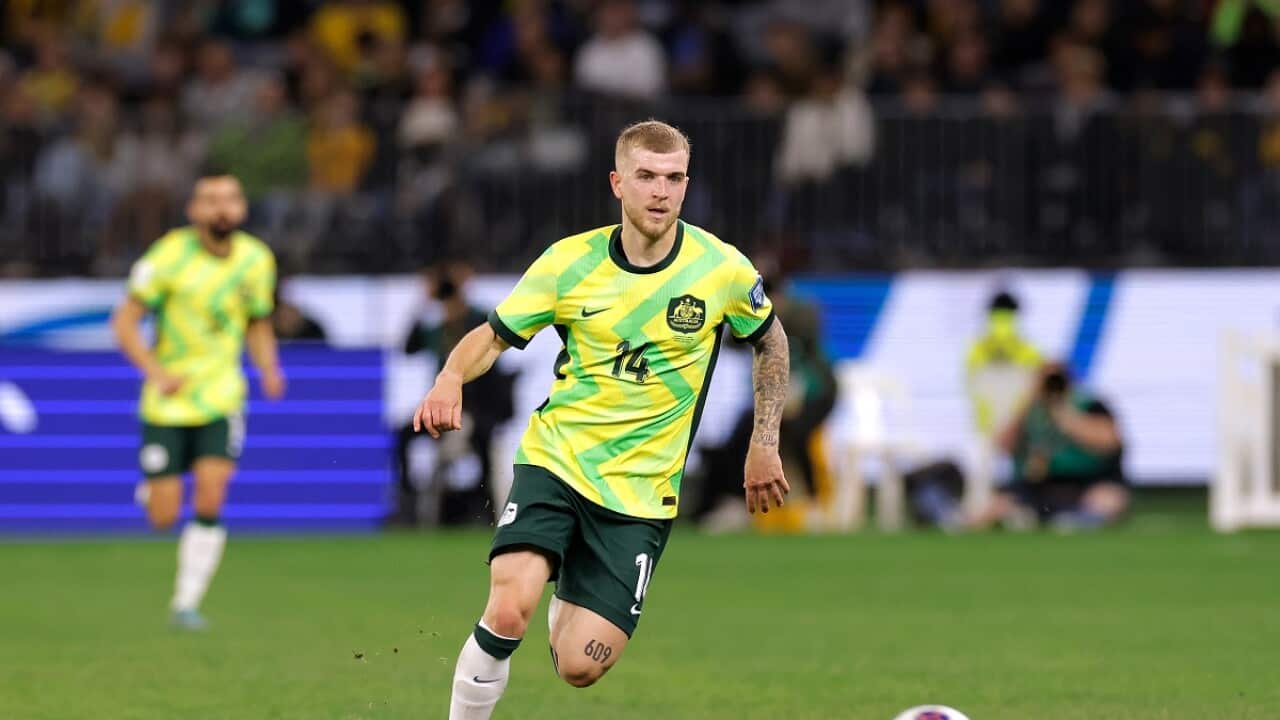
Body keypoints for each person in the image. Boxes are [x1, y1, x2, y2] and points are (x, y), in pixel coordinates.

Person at [414, 120, 790, 718]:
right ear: (618, 183)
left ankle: (572, 587)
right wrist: (448, 378)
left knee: (579, 666)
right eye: (645, 177)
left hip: (642, 496)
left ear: (686, 186)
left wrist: (763, 441)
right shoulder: (569, 263)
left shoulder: (721, 269)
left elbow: (772, 343)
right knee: (509, 608)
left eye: (673, 179)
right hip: (557, 461)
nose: (660, 192)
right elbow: (492, 337)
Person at [110, 170, 285, 630]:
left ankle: (186, 602)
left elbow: (258, 321)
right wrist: (155, 371)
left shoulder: (256, 259)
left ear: (242, 208)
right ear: (194, 210)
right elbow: (124, 322)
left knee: (211, 496)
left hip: (222, 395)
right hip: (168, 399)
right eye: (211, 200)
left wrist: (268, 367)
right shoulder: (168, 256)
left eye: (230, 198)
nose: (221, 207)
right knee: (164, 516)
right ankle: (153, 489)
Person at [395, 261, 514, 526]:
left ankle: (484, 509)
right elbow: (407, 347)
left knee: (483, 442)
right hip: (442, 409)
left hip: (477, 409)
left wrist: (464, 291)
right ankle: (408, 499)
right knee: (402, 434)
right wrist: (422, 302)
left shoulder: (477, 319)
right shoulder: (436, 328)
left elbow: (494, 336)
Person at [973, 362, 1128, 531]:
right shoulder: (1031, 410)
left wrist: (1064, 413)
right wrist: (1027, 402)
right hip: (1042, 485)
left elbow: (1111, 442)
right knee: (993, 508)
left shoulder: (1090, 405)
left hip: (1089, 482)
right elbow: (1003, 445)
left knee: (1107, 500)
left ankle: (1078, 519)